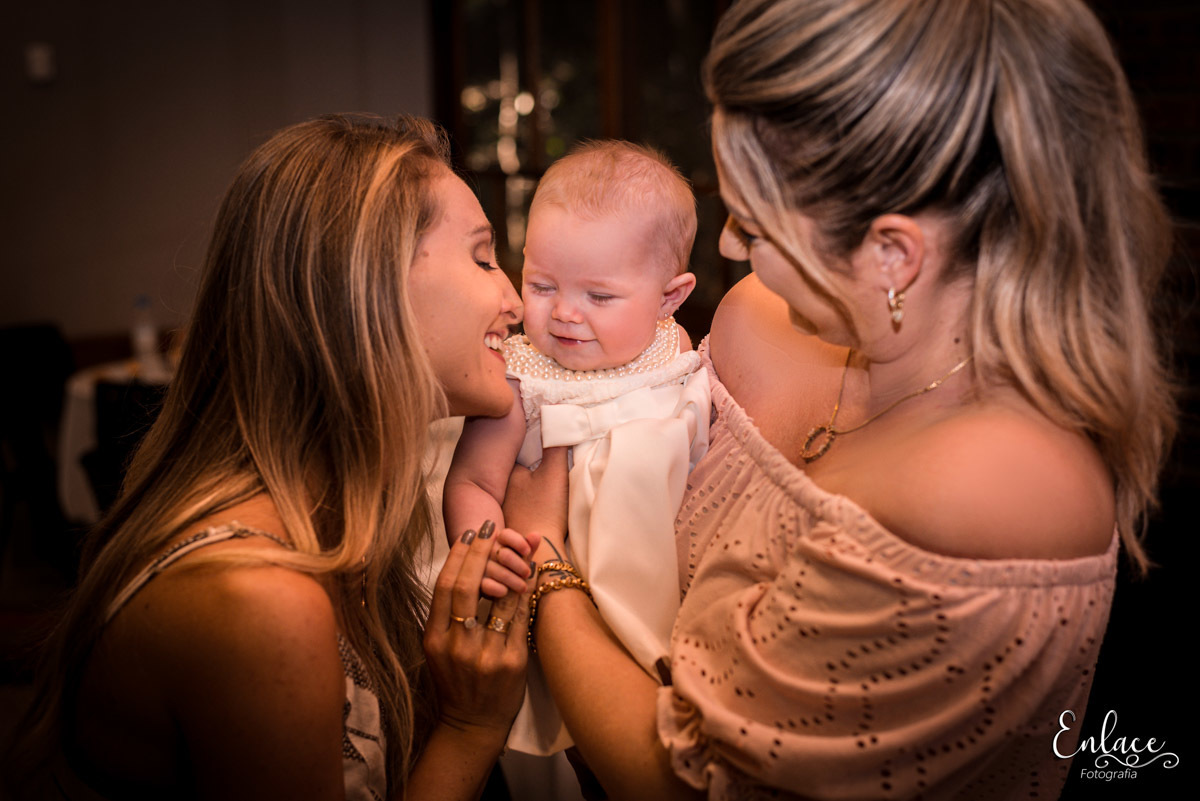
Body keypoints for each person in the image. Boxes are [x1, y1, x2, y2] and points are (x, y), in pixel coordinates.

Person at [503, 1, 1177, 799]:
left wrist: (544, 561)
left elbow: (682, 781)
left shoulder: (996, 489)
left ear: (891, 252)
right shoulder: (756, 319)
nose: (727, 246)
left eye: (754, 226)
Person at [8, 114, 542, 800]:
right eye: (483, 258)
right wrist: (472, 724)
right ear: (368, 288)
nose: (515, 301)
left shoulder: (344, 519)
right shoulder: (260, 599)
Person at [444, 141, 710, 754]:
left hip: (667, 585)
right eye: (541, 285)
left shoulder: (674, 350)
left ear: (669, 298)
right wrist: (487, 549)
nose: (564, 313)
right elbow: (474, 480)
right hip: (555, 591)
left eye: (599, 297)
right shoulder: (518, 379)